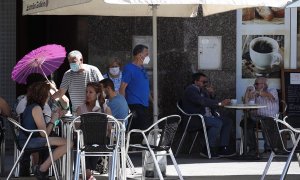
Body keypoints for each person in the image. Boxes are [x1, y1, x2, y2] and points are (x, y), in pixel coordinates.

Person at [18, 81, 71, 180]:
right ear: (42, 95)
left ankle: (42, 169)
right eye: (47, 93)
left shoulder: (32, 107)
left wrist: (55, 117)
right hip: (30, 141)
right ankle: (42, 169)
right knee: (68, 143)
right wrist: (52, 120)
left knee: (67, 142)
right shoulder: (36, 108)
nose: (49, 96)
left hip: (27, 140)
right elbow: (44, 134)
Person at [182, 72, 234, 158]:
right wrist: (220, 103)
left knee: (228, 121)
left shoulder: (203, 90)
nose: (205, 84)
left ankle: (223, 147)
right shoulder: (191, 90)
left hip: (208, 116)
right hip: (196, 118)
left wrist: (211, 94)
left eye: (206, 82)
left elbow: (210, 104)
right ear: (195, 81)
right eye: (203, 82)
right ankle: (208, 149)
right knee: (217, 123)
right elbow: (201, 101)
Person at [76, 82, 111, 179]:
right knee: (84, 141)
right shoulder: (81, 108)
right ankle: (88, 173)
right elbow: (76, 128)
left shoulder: (105, 109)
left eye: (90, 92)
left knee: (97, 140)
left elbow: (110, 129)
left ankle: (87, 172)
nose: (87, 94)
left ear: (98, 94)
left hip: (100, 141)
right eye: (86, 92)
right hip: (84, 140)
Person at [242, 77, 279, 154]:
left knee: (266, 122)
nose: (254, 85)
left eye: (256, 84)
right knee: (245, 122)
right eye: (255, 84)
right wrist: (247, 92)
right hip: (256, 117)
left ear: (263, 85)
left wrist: (259, 93)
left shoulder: (272, 90)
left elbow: (271, 97)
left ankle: (269, 148)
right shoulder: (255, 93)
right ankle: (252, 148)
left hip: (269, 117)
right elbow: (247, 106)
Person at [119, 44, 152, 131]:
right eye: (146, 54)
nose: (148, 57)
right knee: (138, 132)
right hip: (134, 105)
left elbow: (145, 88)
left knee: (144, 131)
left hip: (145, 105)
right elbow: (122, 88)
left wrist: (153, 101)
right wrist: (124, 106)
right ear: (139, 54)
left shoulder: (142, 68)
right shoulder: (129, 68)